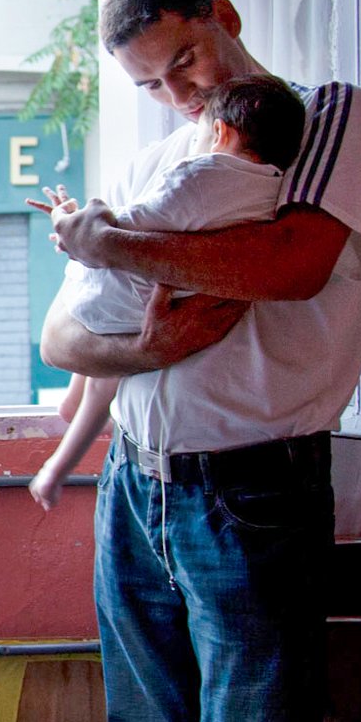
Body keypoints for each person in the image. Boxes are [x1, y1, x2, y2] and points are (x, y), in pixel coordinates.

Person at [37, 0, 361, 722]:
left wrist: (109, 242)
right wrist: (139, 344)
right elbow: (60, 334)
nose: (180, 94)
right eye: (153, 81)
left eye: (185, 59)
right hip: (135, 490)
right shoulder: (163, 158)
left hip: (252, 493)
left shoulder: (318, 118)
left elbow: (289, 263)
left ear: (224, 19)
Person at [26, 73, 307, 512]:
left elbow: (122, 227)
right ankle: (71, 409)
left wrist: (73, 220)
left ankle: (57, 460)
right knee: (105, 364)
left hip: (135, 300)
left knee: (102, 350)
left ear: (220, 132)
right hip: (176, 295)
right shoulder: (272, 192)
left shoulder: (200, 174)